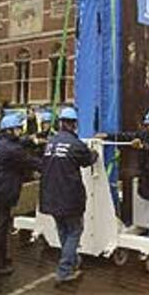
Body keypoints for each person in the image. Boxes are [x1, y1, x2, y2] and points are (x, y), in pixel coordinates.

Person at [96, 108, 149, 252]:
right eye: (148, 125)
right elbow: (128, 136)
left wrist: (143, 146)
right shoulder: (146, 134)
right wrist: (108, 136)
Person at [39, 107, 98, 285]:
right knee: (74, 231)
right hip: (69, 198)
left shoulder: (50, 143)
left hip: (50, 197)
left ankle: (72, 260)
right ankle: (64, 271)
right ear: (73, 125)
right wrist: (94, 151)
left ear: (60, 123)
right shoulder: (76, 144)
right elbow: (89, 160)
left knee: (63, 231)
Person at [0, 112, 41, 278]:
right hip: (0, 194)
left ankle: (2, 259)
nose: (21, 131)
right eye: (18, 129)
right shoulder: (12, 150)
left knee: (0, 227)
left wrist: (31, 140)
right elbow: (33, 162)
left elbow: (17, 142)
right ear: (9, 130)